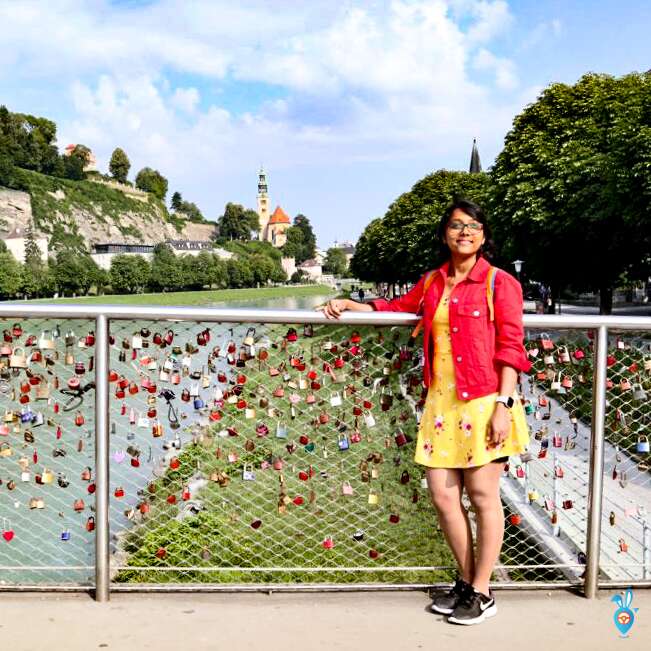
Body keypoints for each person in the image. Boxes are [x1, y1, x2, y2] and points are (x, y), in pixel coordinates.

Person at [319, 199, 531, 626]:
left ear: (484, 235)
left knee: (484, 497)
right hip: (441, 406)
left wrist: (503, 406)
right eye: (456, 226)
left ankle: (482, 591)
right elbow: (401, 307)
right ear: (445, 234)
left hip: (485, 401)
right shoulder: (434, 281)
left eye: (473, 226)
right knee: (443, 496)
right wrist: (354, 305)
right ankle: (468, 582)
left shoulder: (499, 283)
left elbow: (511, 346)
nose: (464, 232)